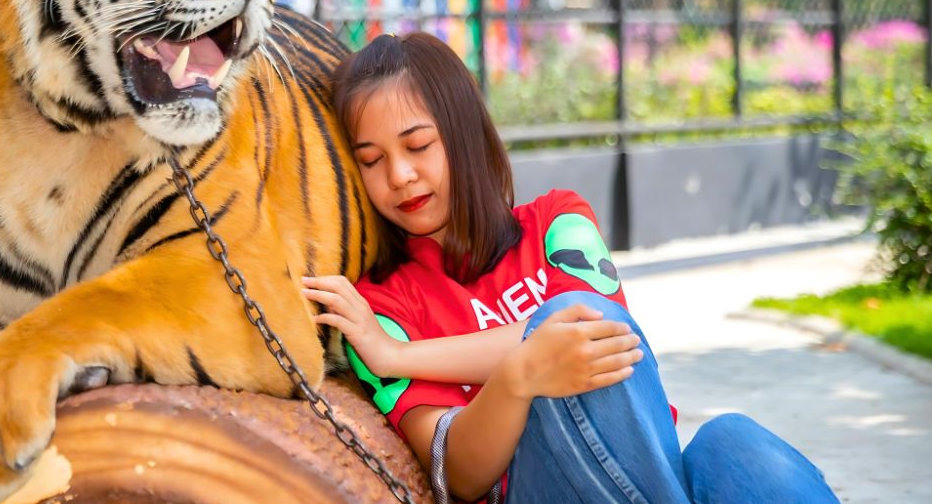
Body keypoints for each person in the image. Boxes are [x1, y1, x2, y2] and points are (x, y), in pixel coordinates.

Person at [303, 32, 838, 503]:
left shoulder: (558, 221)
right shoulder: (382, 308)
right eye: (371, 160)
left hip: (637, 477)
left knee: (736, 446)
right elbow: (460, 477)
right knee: (566, 328)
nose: (399, 174)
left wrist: (403, 355)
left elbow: (595, 330)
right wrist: (517, 378)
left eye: (418, 145)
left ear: (464, 135)